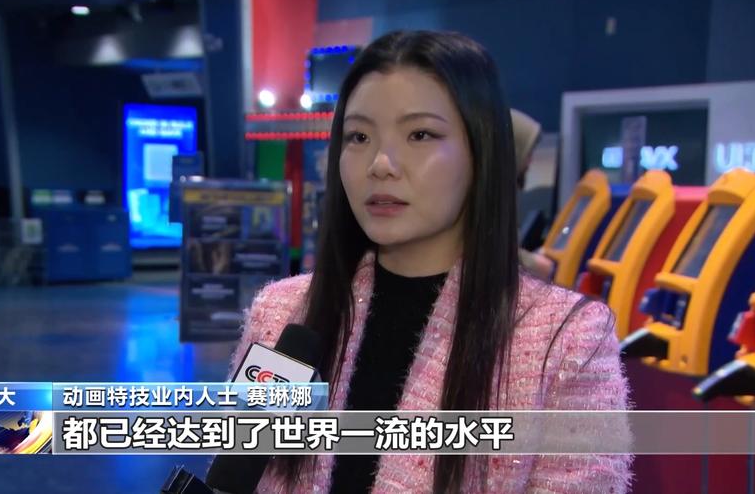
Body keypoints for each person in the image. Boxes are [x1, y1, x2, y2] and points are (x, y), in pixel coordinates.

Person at [227, 30, 631, 493]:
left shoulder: (566, 341)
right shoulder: (281, 313)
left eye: (420, 134)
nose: (380, 163)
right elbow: (237, 477)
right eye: (359, 136)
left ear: (480, 152)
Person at [511, 108, 555, 280]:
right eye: (527, 153)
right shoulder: (488, 195)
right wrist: (533, 264)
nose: (530, 161)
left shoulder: (502, 192)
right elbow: (486, 251)